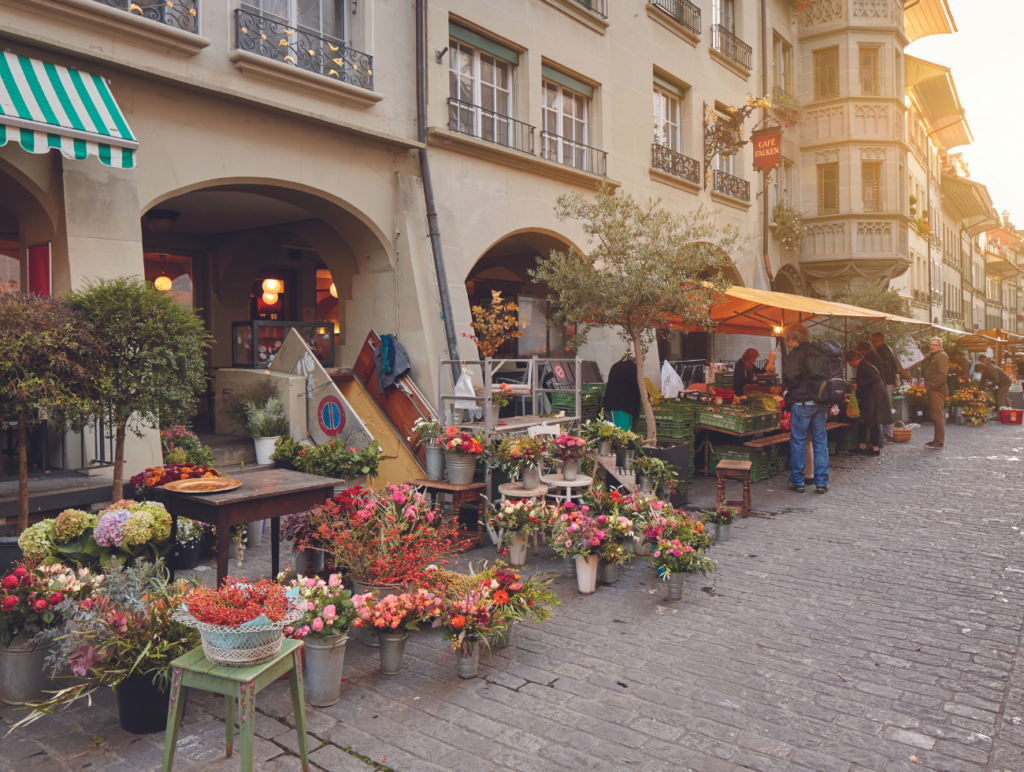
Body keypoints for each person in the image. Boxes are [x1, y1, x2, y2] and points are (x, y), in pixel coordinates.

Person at [781, 323, 829, 494]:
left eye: (788, 340)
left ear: (796, 339)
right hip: (821, 402)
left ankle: (797, 481)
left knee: (799, 441)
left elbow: (791, 376)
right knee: (820, 442)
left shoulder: (796, 354)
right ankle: (822, 482)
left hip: (802, 402)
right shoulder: (820, 351)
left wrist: (792, 387)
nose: (787, 343)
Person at [845, 349, 890, 456]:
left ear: (853, 360)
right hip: (871, 396)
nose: (850, 365)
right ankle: (862, 446)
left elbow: (875, 377)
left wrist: (859, 385)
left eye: (849, 363)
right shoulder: (864, 365)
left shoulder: (865, 366)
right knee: (862, 421)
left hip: (874, 397)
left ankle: (875, 448)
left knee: (873, 421)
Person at [870, 331, 907, 442]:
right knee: (885, 407)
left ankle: (887, 433)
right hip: (887, 382)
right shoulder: (886, 350)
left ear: (881, 340)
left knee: (883, 407)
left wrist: (881, 382)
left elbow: (885, 369)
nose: (873, 343)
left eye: (874, 340)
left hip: (885, 382)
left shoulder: (883, 351)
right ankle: (887, 433)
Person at [923, 337, 949, 449]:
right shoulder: (935, 356)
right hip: (933, 389)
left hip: (937, 390)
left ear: (940, 347)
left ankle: (939, 442)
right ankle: (936, 439)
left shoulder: (942, 356)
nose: (932, 347)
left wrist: (932, 386)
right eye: (931, 344)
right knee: (935, 415)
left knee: (937, 416)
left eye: (935, 345)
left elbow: (943, 374)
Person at [603, 353, 640, 431]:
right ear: (636, 358)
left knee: (610, 434)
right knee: (622, 435)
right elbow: (635, 386)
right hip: (621, 407)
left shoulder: (616, 365)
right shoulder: (631, 366)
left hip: (609, 404)